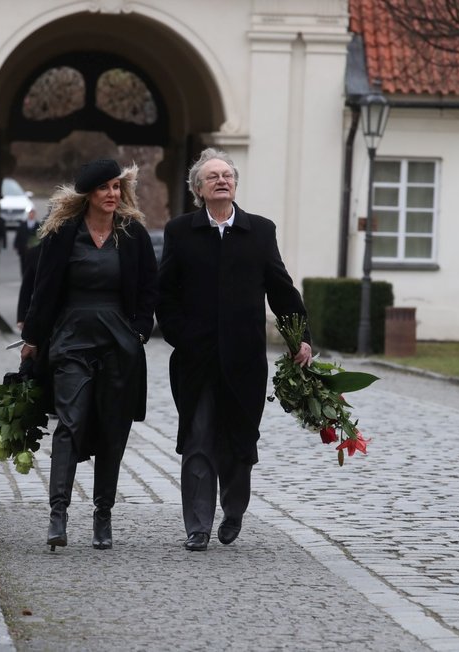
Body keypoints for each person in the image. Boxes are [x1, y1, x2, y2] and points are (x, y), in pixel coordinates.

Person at [156, 147, 312, 552]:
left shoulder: (259, 231)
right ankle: (197, 525)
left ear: (235, 184)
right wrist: (180, 335)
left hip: (244, 359)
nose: (222, 180)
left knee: (240, 438)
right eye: (213, 176)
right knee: (199, 436)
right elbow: (165, 293)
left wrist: (302, 337)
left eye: (227, 175)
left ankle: (234, 508)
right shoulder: (180, 232)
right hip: (196, 358)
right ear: (198, 189)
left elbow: (281, 289)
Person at [20, 159, 158, 551]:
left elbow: (150, 287)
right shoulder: (63, 233)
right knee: (70, 422)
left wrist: (141, 331)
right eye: (104, 188)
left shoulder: (132, 235)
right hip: (71, 339)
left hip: (119, 342)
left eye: (117, 187)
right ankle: (58, 514)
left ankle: (103, 516)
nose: (112, 194)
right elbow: (43, 289)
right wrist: (32, 337)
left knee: (114, 431)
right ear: (88, 194)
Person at [14, 212, 40, 276]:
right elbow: (18, 235)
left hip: (34, 250)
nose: (31, 215)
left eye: (33, 213)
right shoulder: (23, 224)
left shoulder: (38, 225)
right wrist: (16, 245)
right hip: (23, 249)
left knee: (34, 264)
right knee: (23, 264)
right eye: (30, 213)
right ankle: (23, 276)